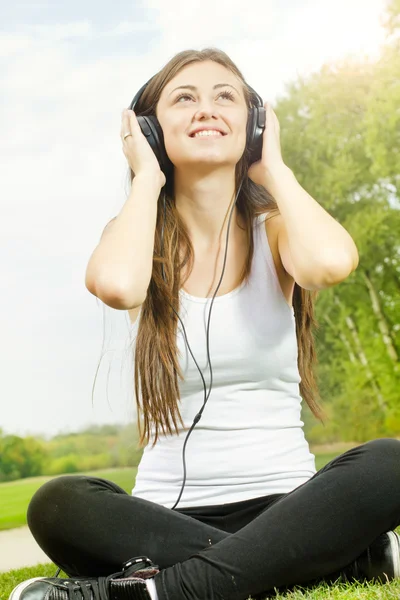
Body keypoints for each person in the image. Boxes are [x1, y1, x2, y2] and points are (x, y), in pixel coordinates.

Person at [10, 48, 400, 600]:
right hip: (165, 515)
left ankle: (158, 591)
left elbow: (331, 263)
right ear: (148, 128)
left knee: (391, 462)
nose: (206, 109)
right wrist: (146, 177)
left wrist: (276, 169)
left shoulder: (276, 232)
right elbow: (119, 286)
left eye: (226, 97)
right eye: (184, 98)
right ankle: (335, 563)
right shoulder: (133, 234)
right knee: (57, 503)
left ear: (255, 123)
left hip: (286, 507)